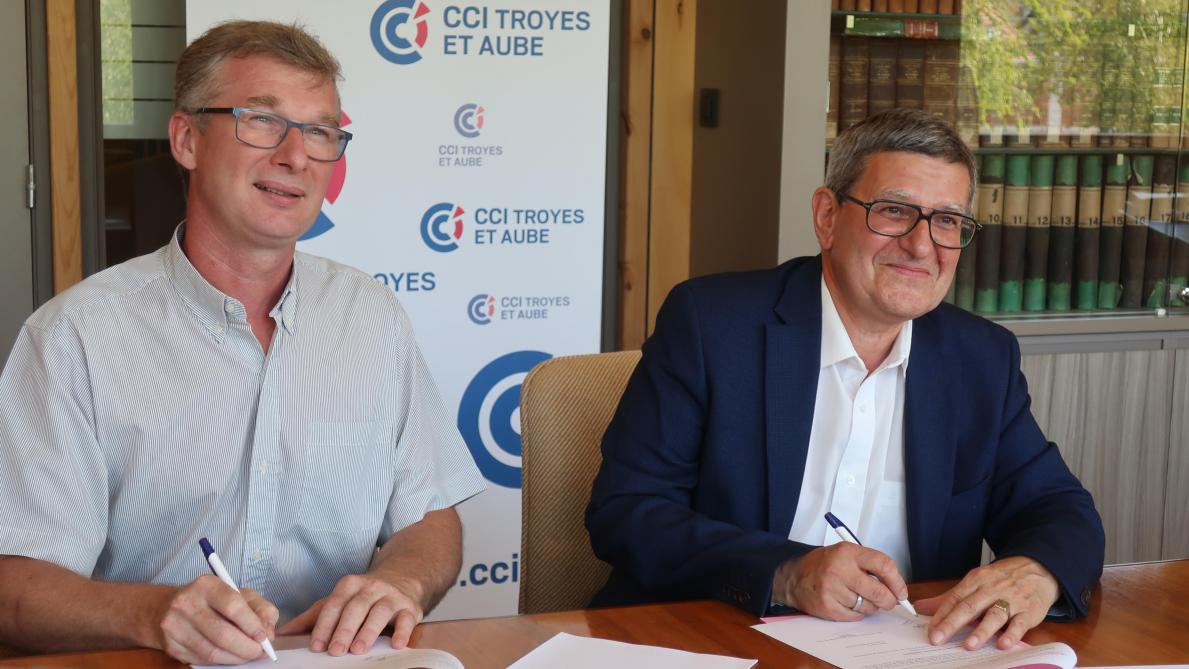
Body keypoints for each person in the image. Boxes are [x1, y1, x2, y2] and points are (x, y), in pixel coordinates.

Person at [0, 20, 485, 665]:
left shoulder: (373, 317)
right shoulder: (74, 337)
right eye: (262, 120)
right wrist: (152, 613)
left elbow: (429, 515)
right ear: (186, 139)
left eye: (320, 131)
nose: (296, 156)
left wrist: (401, 582)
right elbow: (16, 587)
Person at [586, 109, 1105, 652]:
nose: (922, 246)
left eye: (948, 221)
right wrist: (786, 572)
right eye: (895, 211)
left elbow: (1058, 508)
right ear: (827, 217)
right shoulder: (711, 325)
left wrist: (1037, 572)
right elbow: (626, 511)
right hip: (711, 640)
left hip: (908, 652)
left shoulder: (980, 357)